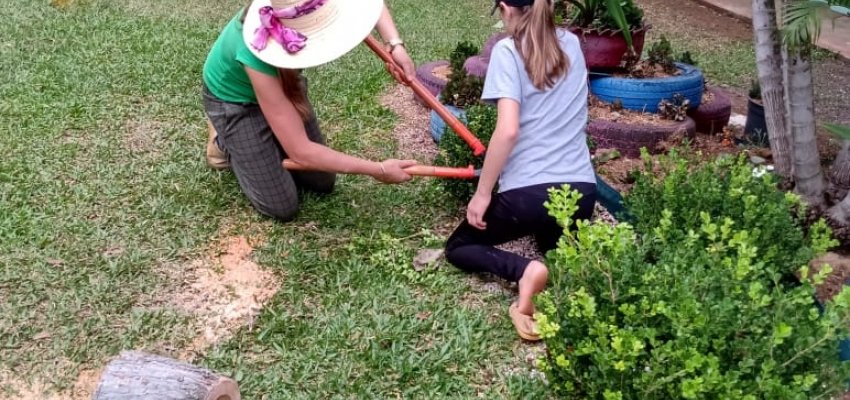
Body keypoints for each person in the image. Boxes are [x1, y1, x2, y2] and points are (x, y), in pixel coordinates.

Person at [444, 0, 597, 341]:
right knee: (553, 245)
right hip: (581, 193)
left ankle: (525, 271)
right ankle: (552, 268)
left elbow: (508, 130)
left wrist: (482, 194)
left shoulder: (507, 52)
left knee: (458, 246)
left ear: (505, 8)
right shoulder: (571, 43)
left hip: (528, 195)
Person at [202, 0, 418, 221]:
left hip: (282, 85)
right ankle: (224, 141)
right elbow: (301, 151)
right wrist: (378, 169)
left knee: (322, 182)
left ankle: (270, 137)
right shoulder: (255, 48)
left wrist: (395, 44)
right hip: (238, 103)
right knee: (282, 206)